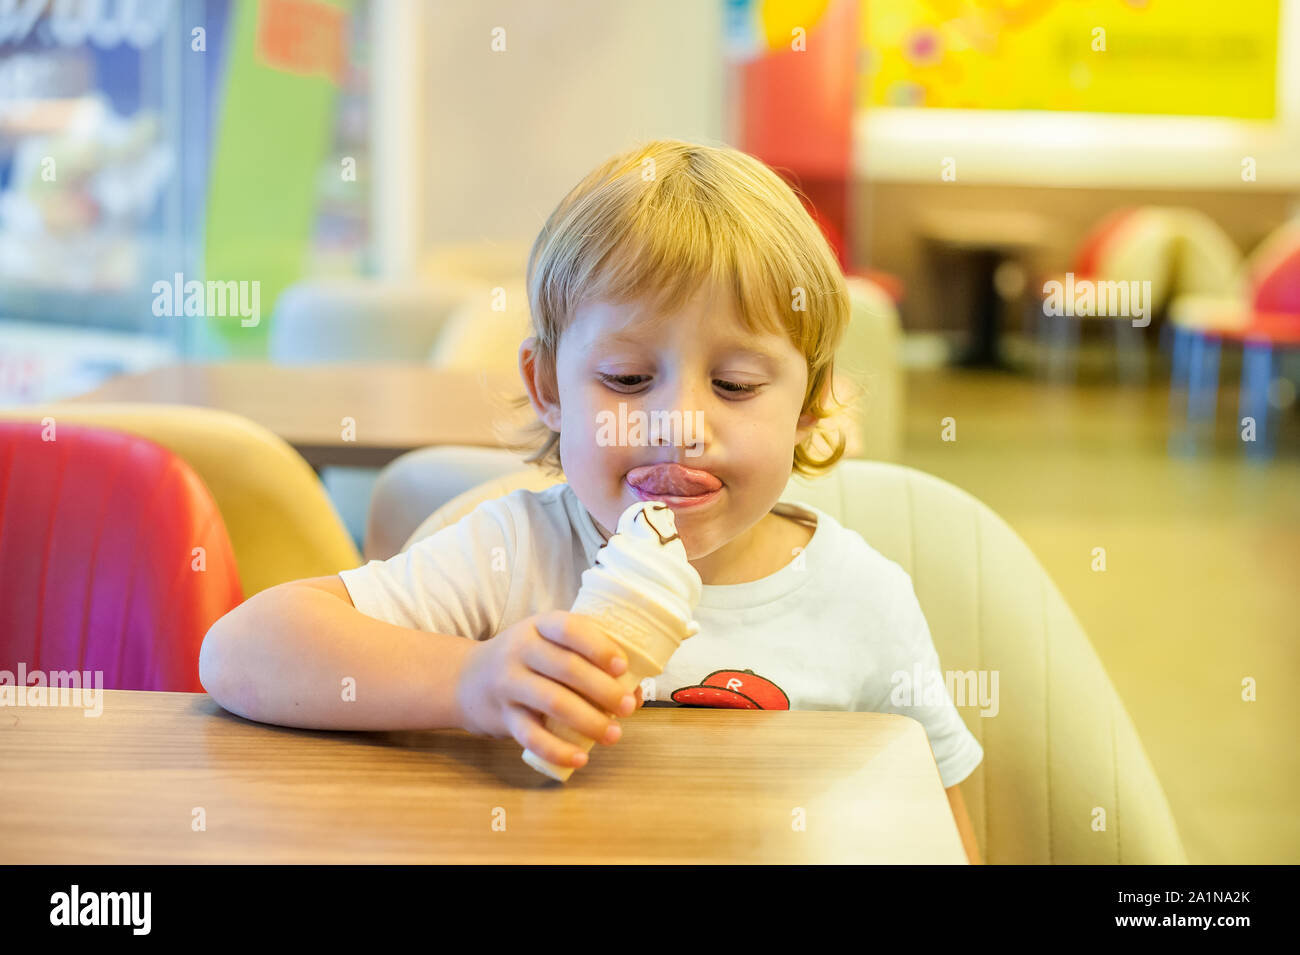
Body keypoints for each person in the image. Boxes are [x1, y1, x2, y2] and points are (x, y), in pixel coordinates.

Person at [200, 139, 984, 863]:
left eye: (736, 385)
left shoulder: (863, 601)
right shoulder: (513, 558)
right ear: (548, 387)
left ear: (811, 402)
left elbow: (938, 819)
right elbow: (239, 652)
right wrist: (470, 680)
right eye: (628, 380)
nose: (680, 425)